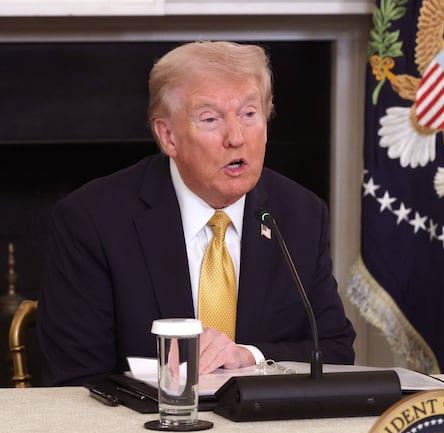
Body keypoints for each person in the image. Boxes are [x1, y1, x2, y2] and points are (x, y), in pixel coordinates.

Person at [38, 41, 356, 385]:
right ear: (168, 136)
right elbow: (76, 380)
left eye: (250, 114)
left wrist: (249, 356)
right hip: (144, 432)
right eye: (210, 119)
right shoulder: (92, 220)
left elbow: (336, 351)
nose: (236, 137)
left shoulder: (300, 214)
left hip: (266, 431)